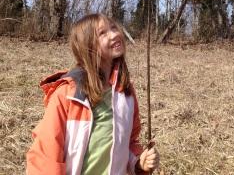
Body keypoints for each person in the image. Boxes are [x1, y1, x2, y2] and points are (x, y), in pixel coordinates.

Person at [26, 13, 160, 175]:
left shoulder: (126, 93)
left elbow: (129, 143)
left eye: (113, 27)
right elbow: (46, 156)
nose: (115, 34)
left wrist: (139, 164)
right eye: (103, 33)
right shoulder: (66, 95)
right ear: (87, 46)